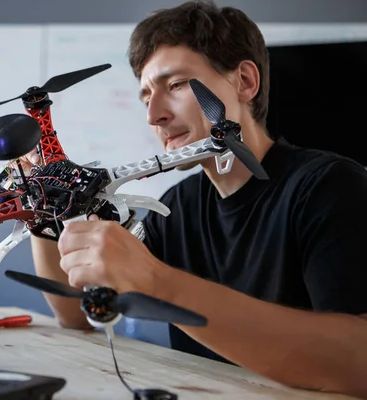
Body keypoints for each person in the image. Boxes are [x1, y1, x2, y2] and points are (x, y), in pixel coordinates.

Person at [21, 0, 367, 397]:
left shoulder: (330, 187)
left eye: (175, 85)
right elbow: (75, 314)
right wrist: (45, 208)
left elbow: (358, 363)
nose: (154, 115)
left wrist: (155, 279)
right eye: (145, 96)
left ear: (245, 82)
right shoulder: (177, 206)